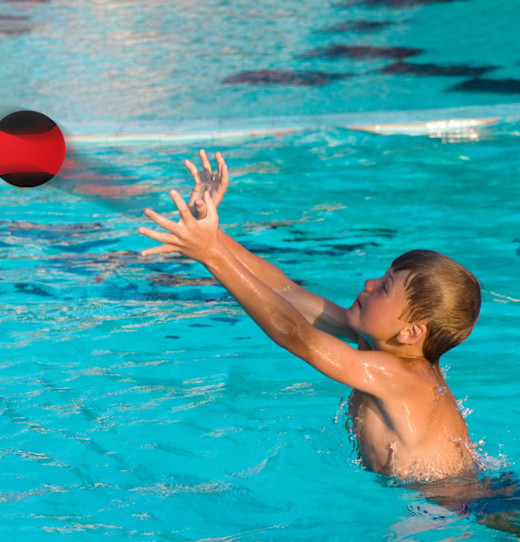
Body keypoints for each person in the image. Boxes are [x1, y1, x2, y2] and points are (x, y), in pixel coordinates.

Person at [137, 149, 483, 484]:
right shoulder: (378, 345)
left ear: (410, 332)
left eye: (385, 287)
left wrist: (211, 257)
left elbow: (297, 336)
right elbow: (286, 292)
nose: (369, 282)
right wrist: (208, 234)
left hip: (445, 507)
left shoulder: (400, 375)